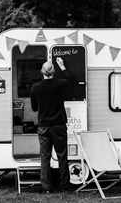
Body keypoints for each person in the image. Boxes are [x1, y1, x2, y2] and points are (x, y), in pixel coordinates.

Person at [30, 57, 71, 192]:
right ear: (54, 71)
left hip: (44, 127)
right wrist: (62, 66)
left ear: (42, 72)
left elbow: (35, 108)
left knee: (45, 157)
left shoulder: (35, 88)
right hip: (59, 125)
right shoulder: (60, 84)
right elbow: (71, 80)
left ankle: (47, 187)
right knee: (62, 156)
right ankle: (64, 185)